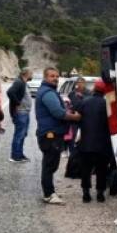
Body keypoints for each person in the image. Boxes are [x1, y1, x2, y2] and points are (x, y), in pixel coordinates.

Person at [35, 67, 80, 205]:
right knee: (49, 165)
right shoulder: (48, 93)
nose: (55, 78)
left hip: (51, 134)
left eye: (56, 76)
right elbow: (58, 113)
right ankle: (49, 194)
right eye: (51, 76)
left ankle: (49, 191)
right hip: (50, 135)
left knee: (50, 164)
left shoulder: (49, 91)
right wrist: (75, 117)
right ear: (45, 78)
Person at [77, 79, 114, 203]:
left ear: (94, 89)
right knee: (101, 169)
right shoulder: (107, 104)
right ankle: (100, 194)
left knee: (86, 169)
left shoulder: (84, 102)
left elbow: (77, 118)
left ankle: (86, 193)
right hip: (103, 144)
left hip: (86, 143)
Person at [6, 69, 33, 162]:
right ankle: (15, 156)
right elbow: (10, 92)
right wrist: (17, 103)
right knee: (19, 135)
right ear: (26, 73)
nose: (32, 75)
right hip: (21, 112)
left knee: (23, 135)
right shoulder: (19, 82)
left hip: (25, 112)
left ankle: (20, 154)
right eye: (31, 73)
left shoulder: (24, 82)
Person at [66, 77, 90, 157]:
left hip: (85, 118)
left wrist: (82, 97)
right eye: (78, 82)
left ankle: (83, 151)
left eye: (81, 82)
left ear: (84, 84)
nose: (79, 84)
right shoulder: (72, 93)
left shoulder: (88, 93)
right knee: (72, 136)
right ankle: (72, 152)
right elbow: (68, 104)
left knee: (84, 136)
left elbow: (90, 102)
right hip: (74, 119)